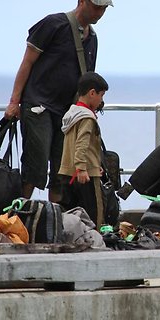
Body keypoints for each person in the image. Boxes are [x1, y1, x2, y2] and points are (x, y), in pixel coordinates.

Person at [4, 0, 113, 203]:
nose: (100, 12)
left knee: (62, 171)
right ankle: (17, 216)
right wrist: (15, 102)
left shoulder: (92, 39)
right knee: (36, 165)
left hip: (67, 113)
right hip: (39, 106)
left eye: (103, 8)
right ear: (82, 0)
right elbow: (27, 62)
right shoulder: (53, 24)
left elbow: (85, 79)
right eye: (96, 6)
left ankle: (57, 220)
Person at [57, 72, 109, 228]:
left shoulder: (72, 113)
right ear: (92, 93)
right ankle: (95, 241)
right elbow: (82, 144)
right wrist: (82, 168)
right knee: (94, 214)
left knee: (69, 213)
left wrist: (94, 163)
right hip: (84, 174)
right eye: (101, 95)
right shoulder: (87, 117)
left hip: (67, 172)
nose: (102, 100)